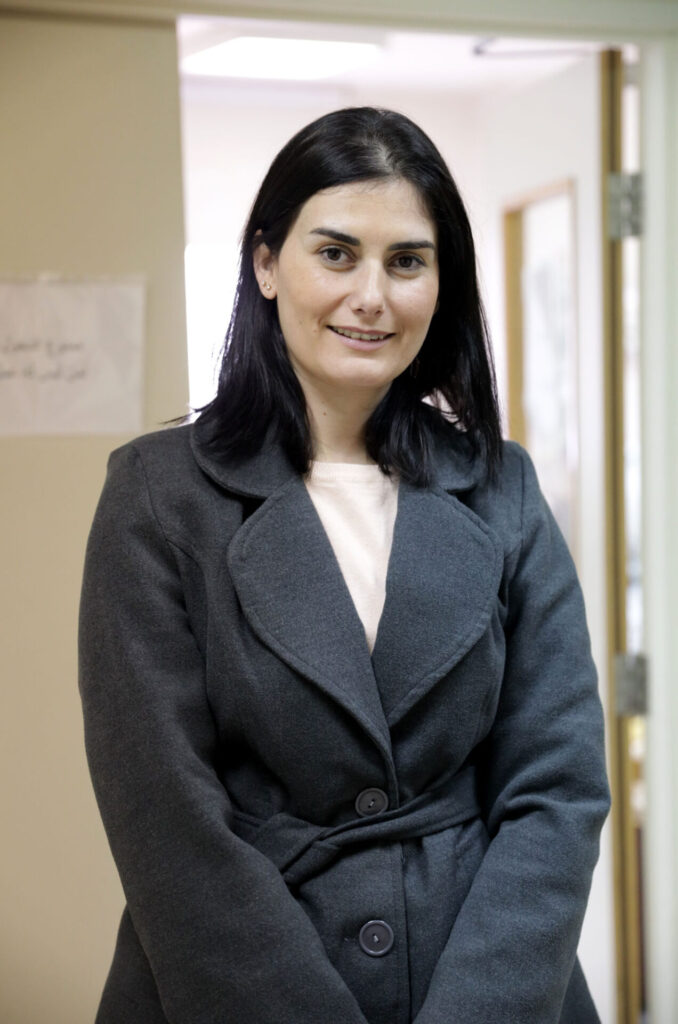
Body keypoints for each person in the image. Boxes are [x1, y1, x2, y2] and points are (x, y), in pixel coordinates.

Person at [79, 107, 610, 1024]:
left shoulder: (501, 486)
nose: (372, 295)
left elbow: (557, 790)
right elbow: (165, 820)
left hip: (490, 987)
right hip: (238, 987)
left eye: (407, 260)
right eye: (336, 253)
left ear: (441, 284)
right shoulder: (158, 495)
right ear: (265, 263)